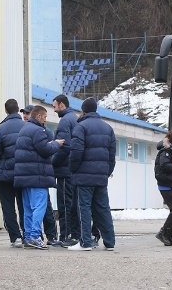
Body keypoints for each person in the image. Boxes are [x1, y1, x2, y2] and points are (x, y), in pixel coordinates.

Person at [68, 97, 116, 251]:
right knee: (103, 209)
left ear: (83, 111)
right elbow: (111, 156)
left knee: (84, 208)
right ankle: (110, 242)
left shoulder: (80, 127)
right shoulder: (108, 128)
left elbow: (76, 152)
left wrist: (73, 169)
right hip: (101, 176)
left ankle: (85, 242)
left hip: (84, 177)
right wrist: (106, 173)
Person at [14, 105, 63, 249]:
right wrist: (56, 144)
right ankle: (35, 236)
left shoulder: (24, 129)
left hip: (25, 177)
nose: (46, 120)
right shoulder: (38, 131)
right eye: (45, 117)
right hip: (37, 176)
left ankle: (28, 236)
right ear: (39, 116)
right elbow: (45, 150)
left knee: (28, 208)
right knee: (39, 206)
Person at [0, 99, 26, 248]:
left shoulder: (0, 128)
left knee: (8, 206)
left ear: (6, 111)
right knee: (24, 205)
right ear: (18, 109)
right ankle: (27, 234)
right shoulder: (27, 127)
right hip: (23, 173)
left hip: (4, 174)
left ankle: (15, 237)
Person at [51, 94, 80, 247]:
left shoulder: (64, 122)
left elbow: (64, 147)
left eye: (55, 106)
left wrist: (52, 162)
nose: (54, 110)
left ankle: (65, 235)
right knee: (72, 203)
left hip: (63, 170)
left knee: (64, 204)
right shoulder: (74, 118)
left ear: (62, 105)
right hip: (73, 170)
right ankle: (74, 234)